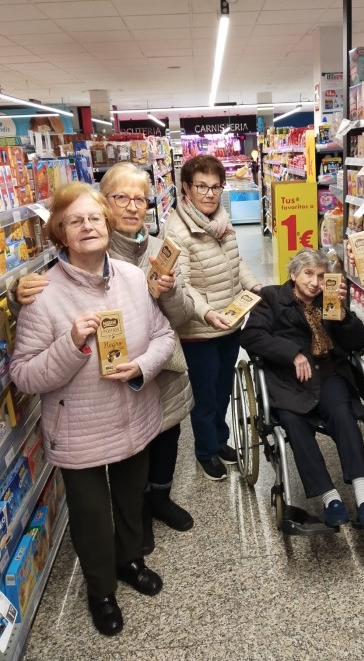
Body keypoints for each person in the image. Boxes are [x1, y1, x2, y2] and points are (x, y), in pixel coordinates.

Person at [9, 182, 175, 637]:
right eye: (74, 221)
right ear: (60, 233)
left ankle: (130, 561)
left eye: (94, 218)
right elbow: (24, 375)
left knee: (130, 497)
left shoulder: (133, 278)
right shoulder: (42, 295)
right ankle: (101, 591)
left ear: (107, 223)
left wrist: (142, 366)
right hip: (78, 427)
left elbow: (163, 336)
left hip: (134, 414)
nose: (87, 227)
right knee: (90, 515)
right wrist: (70, 344)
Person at [13, 163, 196, 555]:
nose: (132, 206)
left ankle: (149, 518)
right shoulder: (77, 256)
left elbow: (176, 321)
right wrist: (17, 290)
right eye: (121, 197)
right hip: (92, 409)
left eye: (140, 199)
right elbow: (38, 319)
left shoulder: (157, 250)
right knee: (105, 498)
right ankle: (121, 551)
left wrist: (168, 293)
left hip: (154, 379)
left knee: (155, 455)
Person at [241, 249, 364, 529]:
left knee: (342, 413)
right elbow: (252, 336)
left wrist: (343, 315)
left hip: (328, 374)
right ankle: (331, 498)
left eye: (321, 276)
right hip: (288, 380)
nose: (315, 282)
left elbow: (356, 342)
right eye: (308, 274)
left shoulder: (329, 299)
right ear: (294, 274)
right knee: (294, 423)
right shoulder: (271, 297)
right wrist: (292, 353)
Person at [162, 154, 262, 481]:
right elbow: (182, 284)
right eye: (201, 186)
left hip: (230, 322)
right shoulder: (177, 230)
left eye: (216, 187)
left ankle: (220, 440)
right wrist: (207, 312)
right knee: (205, 397)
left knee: (222, 390)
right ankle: (206, 451)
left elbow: (236, 263)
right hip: (199, 330)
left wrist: (255, 285)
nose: (209, 194)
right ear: (186, 188)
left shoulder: (222, 220)